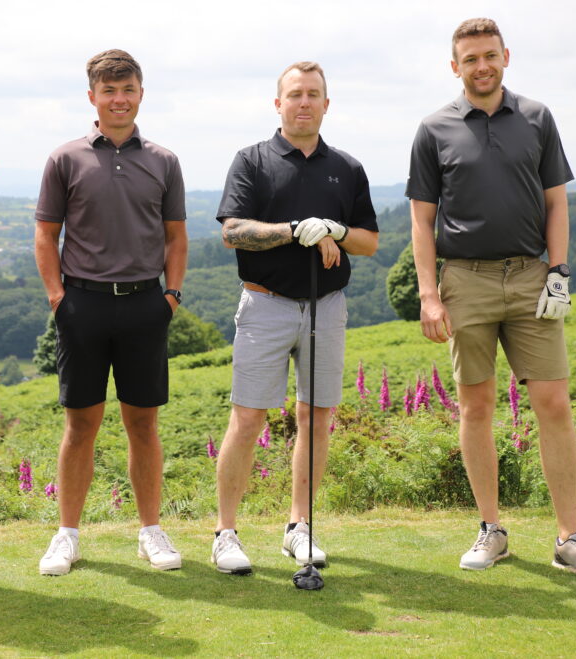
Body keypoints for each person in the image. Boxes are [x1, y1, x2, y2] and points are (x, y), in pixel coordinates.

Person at [407, 18, 576, 582]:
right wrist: (428, 294)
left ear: (506, 56)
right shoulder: (433, 129)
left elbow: (556, 203)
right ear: (455, 67)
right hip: (465, 282)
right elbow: (422, 220)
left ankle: (570, 539)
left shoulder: (537, 117)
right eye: (470, 58)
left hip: (531, 277)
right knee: (476, 407)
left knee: (553, 403)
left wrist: (559, 272)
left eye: (490, 55)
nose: (482, 66)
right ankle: (491, 530)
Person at [212, 62, 379, 574]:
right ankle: (226, 533)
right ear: (278, 103)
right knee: (248, 418)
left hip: (325, 307)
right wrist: (295, 229)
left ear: (326, 104)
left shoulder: (346, 168)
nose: (304, 103)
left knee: (316, 417)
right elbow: (233, 231)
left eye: (313, 95)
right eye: (294, 95)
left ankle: (298, 527)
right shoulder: (253, 160)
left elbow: (368, 242)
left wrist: (333, 228)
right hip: (265, 305)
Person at [34, 49, 188, 576]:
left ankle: (150, 532)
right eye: (109, 91)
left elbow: (175, 236)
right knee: (81, 425)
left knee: (143, 424)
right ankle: (67, 535)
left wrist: (171, 296)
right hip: (83, 305)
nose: (118, 100)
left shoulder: (164, 160)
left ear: (141, 94)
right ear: (92, 97)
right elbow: (46, 233)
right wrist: (58, 297)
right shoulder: (65, 158)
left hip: (146, 304)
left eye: (127, 90)